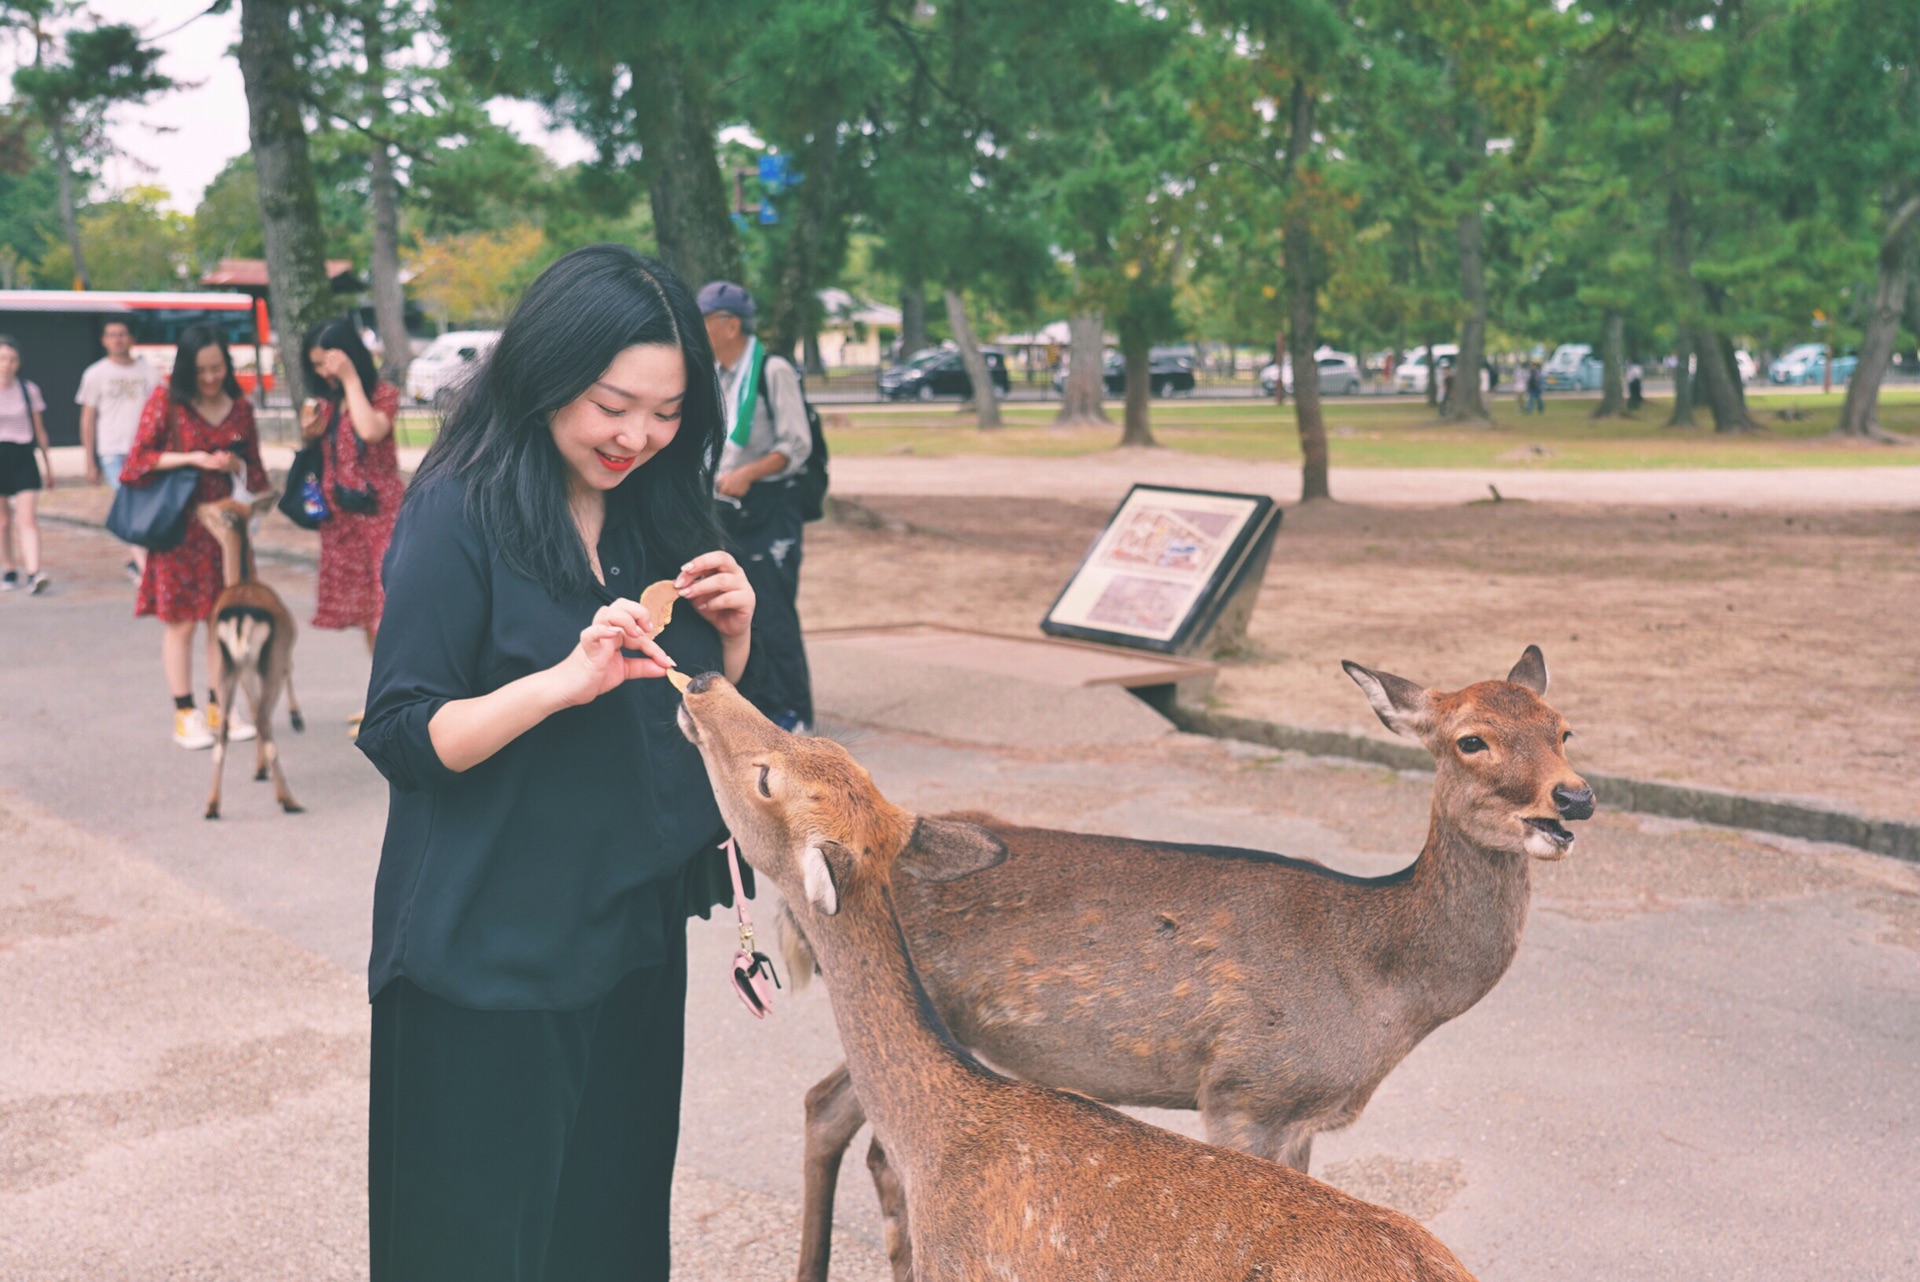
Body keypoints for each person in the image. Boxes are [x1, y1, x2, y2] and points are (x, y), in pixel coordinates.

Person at [356, 245, 757, 1282]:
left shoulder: (653, 506)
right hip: (483, 958)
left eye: (668, 412)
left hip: (626, 937)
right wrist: (555, 682)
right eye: (612, 404)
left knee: (611, 1244)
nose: (638, 436)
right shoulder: (462, 506)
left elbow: (682, 718)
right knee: (473, 1255)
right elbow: (404, 732)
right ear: (547, 372)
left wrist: (734, 641)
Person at [122, 324, 270, 749]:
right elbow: (135, 462)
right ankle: (184, 713)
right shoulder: (167, 402)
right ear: (188, 368)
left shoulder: (239, 408)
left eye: (217, 368)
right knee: (182, 622)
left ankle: (220, 708)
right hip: (180, 528)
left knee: (220, 622)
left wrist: (232, 467)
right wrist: (194, 459)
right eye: (202, 370)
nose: (210, 378)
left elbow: (255, 469)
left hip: (225, 533)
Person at [698, 279, 814, 732]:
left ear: (728, 325)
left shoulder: (772, 371)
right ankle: (755, 707)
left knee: (773, 609)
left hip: (768, 504)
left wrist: (749, 472)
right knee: (734, 608)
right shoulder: (712, 372)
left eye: (703, 320)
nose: (697, 328)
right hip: (723, 506)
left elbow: (796, 444)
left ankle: (793, 712)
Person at [299, 319, 405, 727]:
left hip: (380, 518)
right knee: (368, 616)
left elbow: (371, 430)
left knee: (387, 614)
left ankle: (394, 701)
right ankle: (382, 697)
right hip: (343, 523)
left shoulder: (380, 395)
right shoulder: (326, 402)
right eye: (317, 365)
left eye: (328, 362)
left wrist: (349, 381)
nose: (323, 372)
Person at [78, 318, 166, 582]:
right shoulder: (95, 374)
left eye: (122, 334)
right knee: (130, 505)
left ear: (131, 338)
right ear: (104, 341)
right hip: (112, 451)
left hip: (146, 451)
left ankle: (142, 561)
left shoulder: (150, 374)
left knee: (146, 507)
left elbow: (164, 414)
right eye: (112, 335)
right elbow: (87, 418)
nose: (117, 339)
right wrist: (89, 459)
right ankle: (144, 567)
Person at [0, 335, 53, 594]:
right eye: (2, 359)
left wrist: (47, 464)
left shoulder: (27, 389)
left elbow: (39, 429)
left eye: (12, 359)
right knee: (2, 520)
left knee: (27, 517)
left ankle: (34, 571)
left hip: (22, 454)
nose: (6, 365)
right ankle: (8, 568)